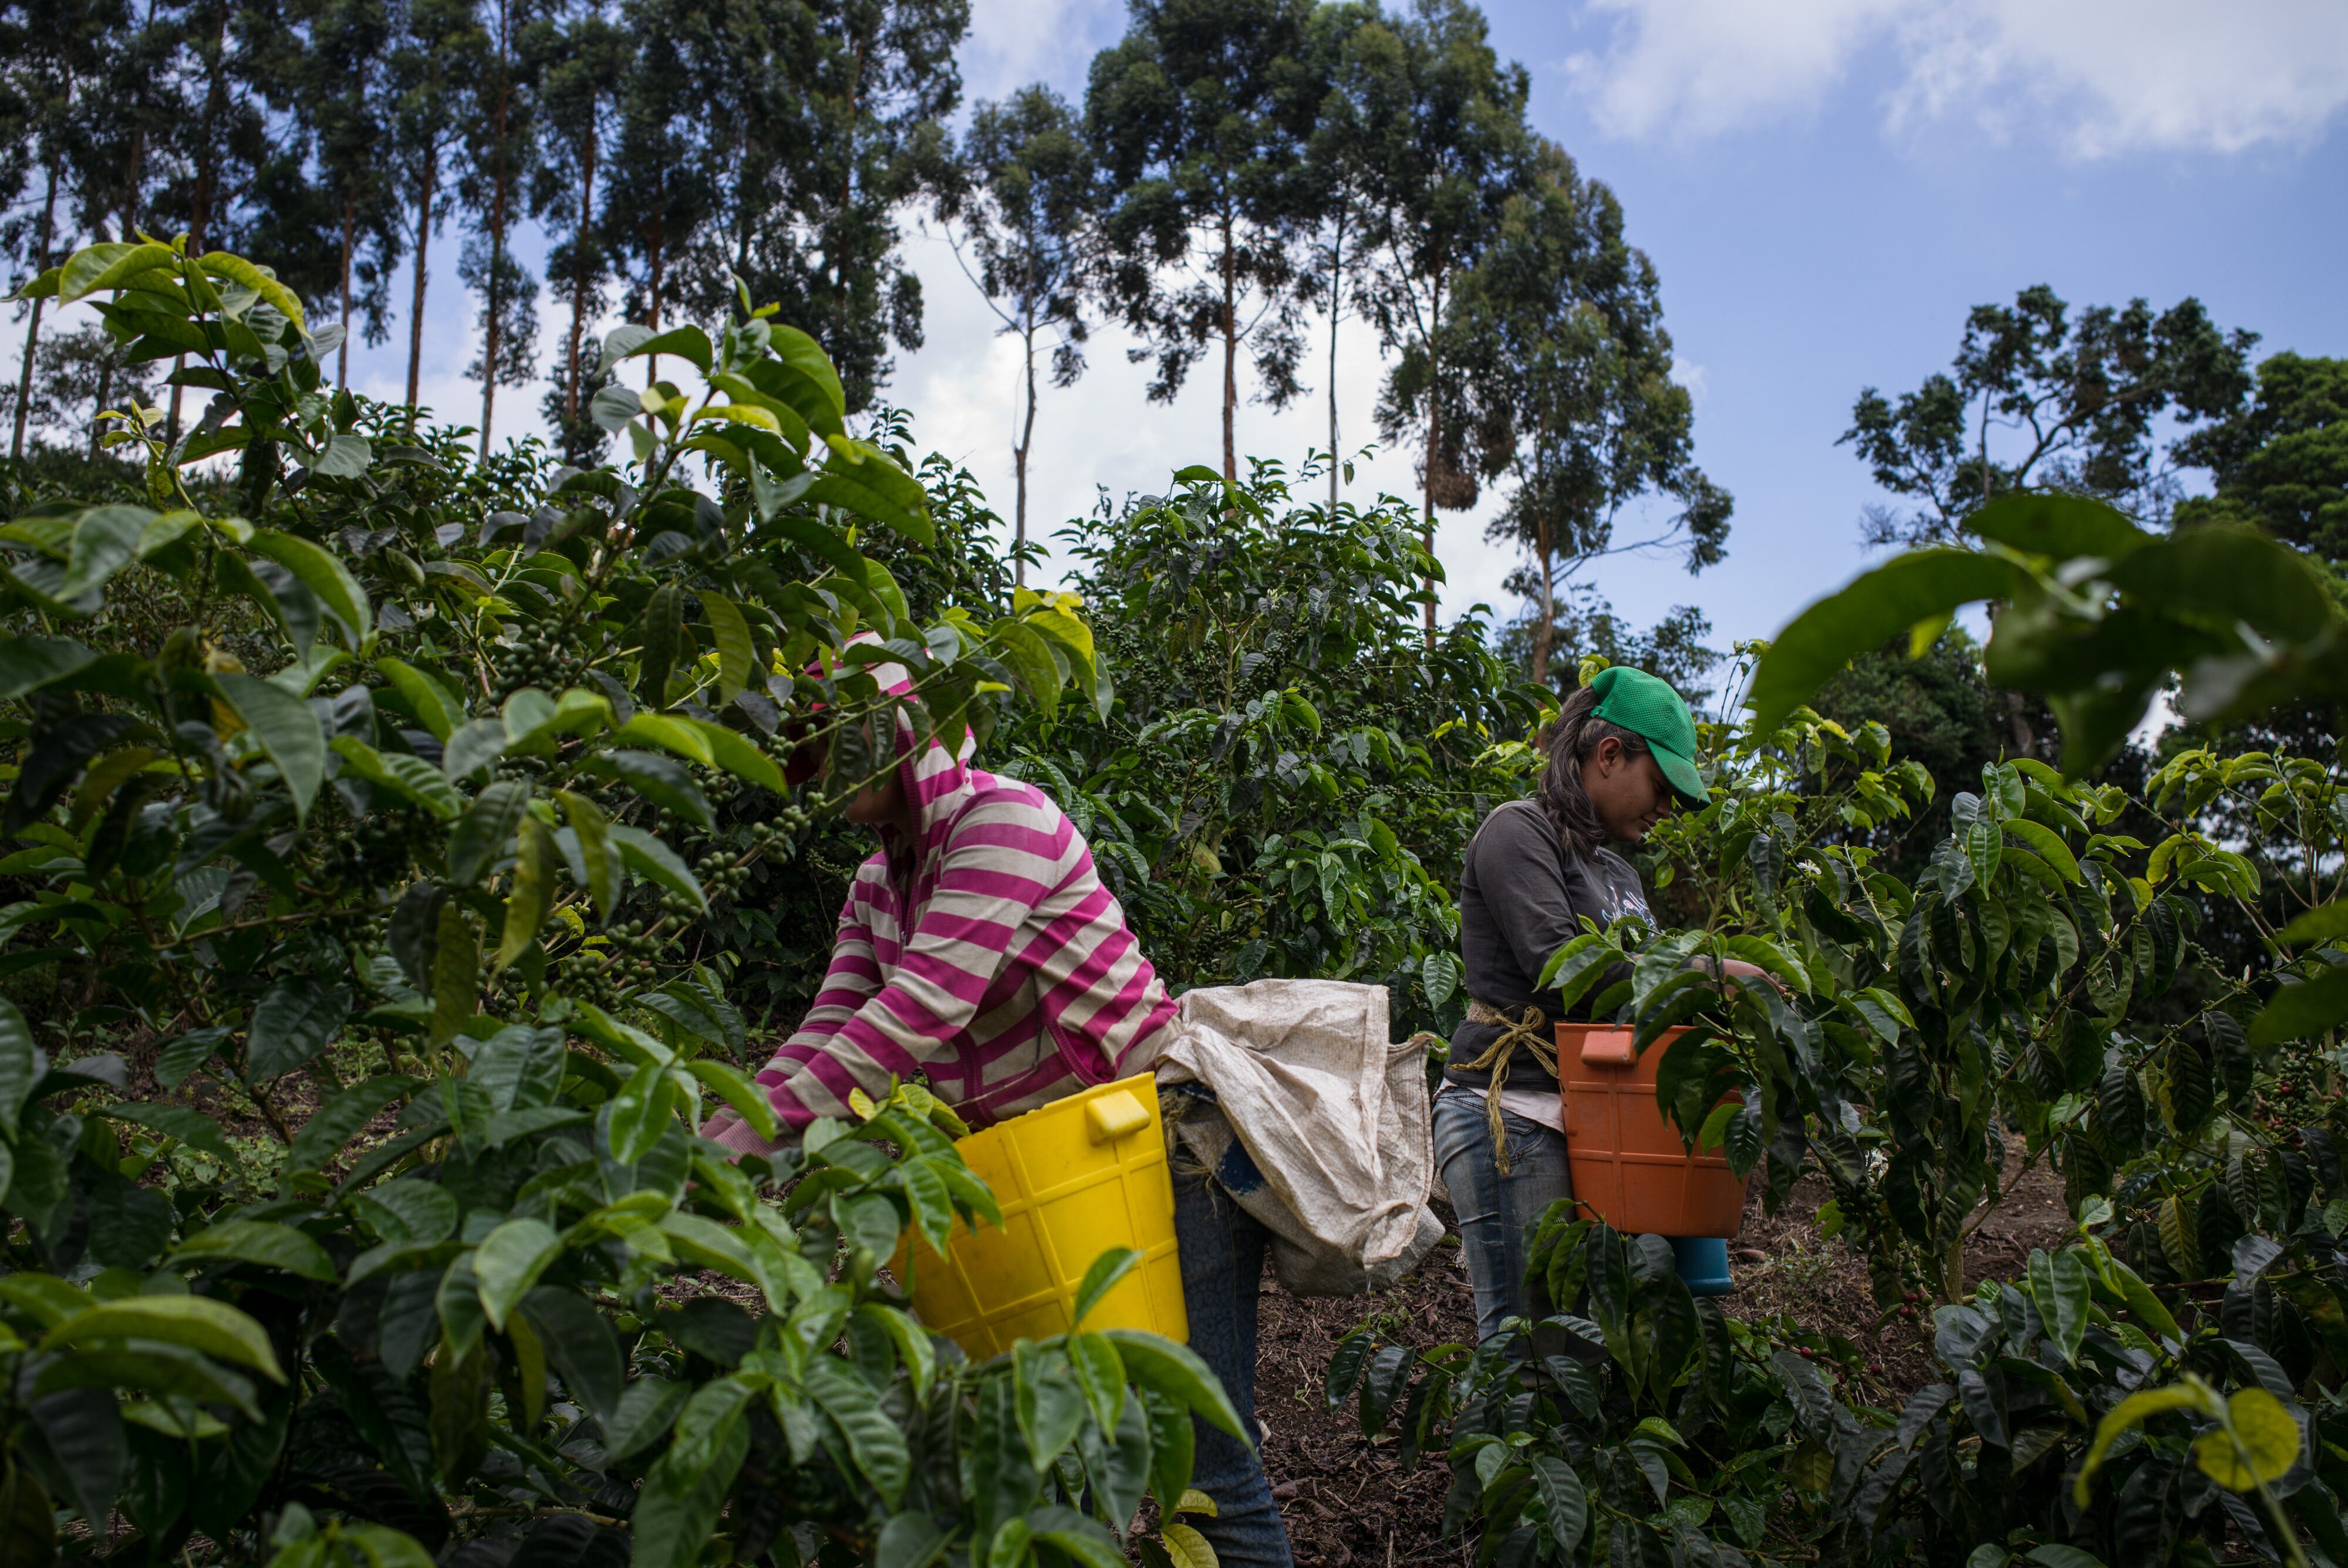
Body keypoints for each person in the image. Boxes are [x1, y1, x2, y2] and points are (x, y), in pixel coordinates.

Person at [704, 665, 1296, 1568]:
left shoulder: (1004, 821)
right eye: (814, 746)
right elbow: (831, 1026)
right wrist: (724, 1132)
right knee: (1048, 1466)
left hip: (1163, 1145)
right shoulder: (876, 883)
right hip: (1045, 1172)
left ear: (906, 734)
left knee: (1209, 1469)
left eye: (841, 736)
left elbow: (918, 1010)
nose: (824, 763)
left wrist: (749, 1140)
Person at [1430, 665, 1766, 1343]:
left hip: (1599, 1117)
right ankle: (1496, 1451)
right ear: (1610, 754)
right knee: (1535, 1339)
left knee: (1594, 1336)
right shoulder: (1517, 831)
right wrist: (1711, 973)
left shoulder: (1617, 871)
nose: (1667, 808)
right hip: (1515, 1112)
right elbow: (1568, 975)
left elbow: (1644, 990)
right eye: (1663, 787)